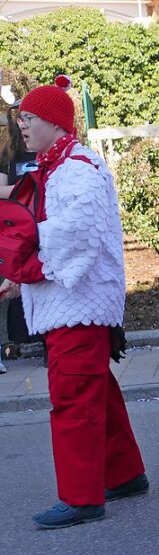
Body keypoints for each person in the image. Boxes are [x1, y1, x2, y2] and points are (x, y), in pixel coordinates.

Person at [0, 76, 147, 529]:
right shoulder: (63, 165)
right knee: (94, 389)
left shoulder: (77, 167)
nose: (22, 125)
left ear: (54, 123)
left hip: (77, 301)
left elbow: (75, 233)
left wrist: (20, 251)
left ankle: (81, 496)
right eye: (20, 117)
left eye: (30, 117)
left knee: (73, 397)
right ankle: (124, 474)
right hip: (75, 299)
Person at [0, 106, 37, 369]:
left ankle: (47, 343)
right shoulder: (7, 153)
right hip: (14, 226)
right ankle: (14, 340)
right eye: (20, 119)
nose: (23, 125)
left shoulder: (46, 149)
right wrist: (22, 189)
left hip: (41, 223)